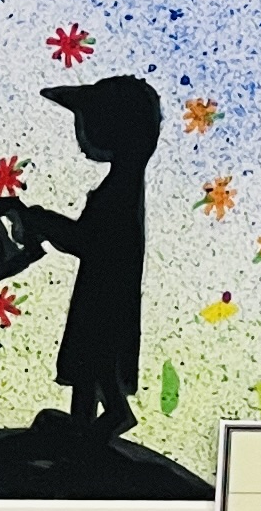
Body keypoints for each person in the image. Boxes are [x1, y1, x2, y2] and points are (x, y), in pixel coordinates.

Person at [19, 75, 158, 432]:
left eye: (86, 125)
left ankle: (112, 415)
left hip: (104, 292)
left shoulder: (119, 191)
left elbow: (87, 242)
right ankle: (81, 423)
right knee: (89, 361)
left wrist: (43, 221)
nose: (81, 137)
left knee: (97, 356)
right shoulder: (123, 184)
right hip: (102, 287)